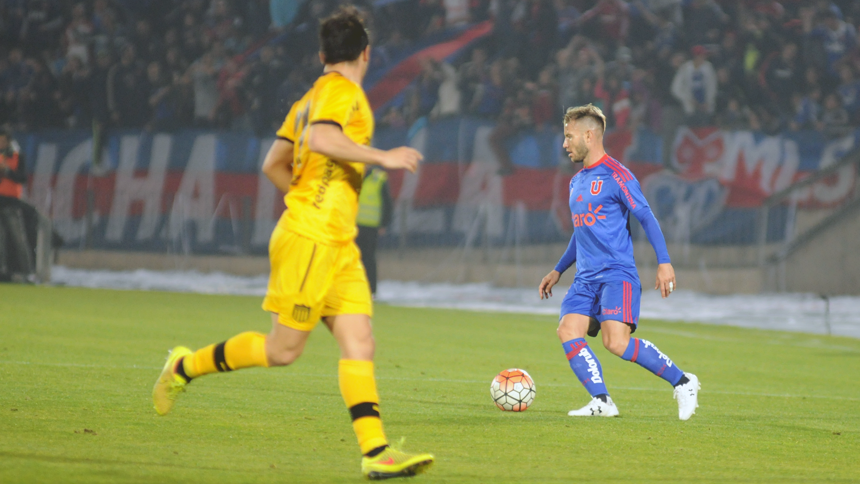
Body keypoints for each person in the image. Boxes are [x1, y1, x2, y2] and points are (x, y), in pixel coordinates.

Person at [152, 7, 435, 480]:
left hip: (336, 243)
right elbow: (323, 139)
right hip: (311, 237)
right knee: (283, 350)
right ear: (366, 53)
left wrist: (309, 197)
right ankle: (184, 365)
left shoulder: (310, 96)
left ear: (324, 54)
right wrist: (381, 157)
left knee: (359, 342)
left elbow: (272, 163)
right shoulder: (343, 94)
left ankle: (376, 452)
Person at [538, 104, 700, 420]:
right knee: (567, 330)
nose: (565, 144)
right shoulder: (576, 182)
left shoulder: (618, 175)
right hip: (584, 278)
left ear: (589, 135)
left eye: (569, 136)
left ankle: (683, 382)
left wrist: (664, 262)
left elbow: (646, 216)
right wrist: (559, 270)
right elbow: (581, 231)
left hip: (616, 274)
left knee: (617, 343)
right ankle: (602, 401)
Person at [0, 129, 34, 282]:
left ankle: (28, 273)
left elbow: (22, 178)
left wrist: (7, 171)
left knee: (18, 239)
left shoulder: (16, 155)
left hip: (12, 203)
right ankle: (3, 272)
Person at [356, 165, 393, 296]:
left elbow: (387, 202)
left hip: (371, 226)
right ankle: (353, 289)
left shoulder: (379, 177)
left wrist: (384, 223)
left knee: (369, 258)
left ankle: (371, 290)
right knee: (352, 258)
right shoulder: (352, 173)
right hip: (353, 225)